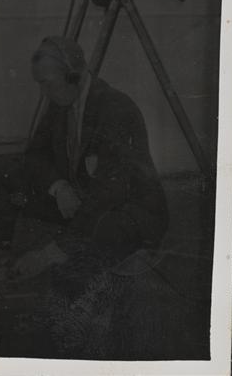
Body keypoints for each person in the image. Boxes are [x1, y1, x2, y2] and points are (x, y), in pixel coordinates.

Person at [12, 35, 169, 281]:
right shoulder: (60, 101)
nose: (44, 93)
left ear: (73, 76)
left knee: (99, 237)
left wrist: (49, 254)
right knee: (8, 182)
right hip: (87, 199)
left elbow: (108, 193)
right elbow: (34, 155)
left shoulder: (116, 109)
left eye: (47, 84)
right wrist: (60, 188)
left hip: (127, 209)